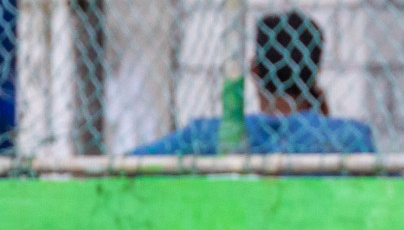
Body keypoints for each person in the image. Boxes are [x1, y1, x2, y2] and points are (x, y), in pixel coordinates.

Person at [132, 10, 374, 155]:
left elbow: (130, 163)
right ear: (317, 70)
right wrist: (322, 121)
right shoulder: (349, 140)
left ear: (254, 70)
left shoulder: (205, 137)